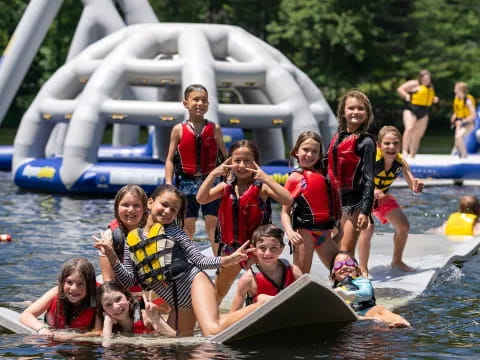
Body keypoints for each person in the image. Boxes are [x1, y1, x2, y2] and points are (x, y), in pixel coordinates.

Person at [95, 184, 270, 336]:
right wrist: (110, 254)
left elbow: (199, 260)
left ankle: (260, 304)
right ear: (150, 202)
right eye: (164, 204)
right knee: (176, 343)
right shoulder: (132, 240)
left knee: (212, 330)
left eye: (173, 209)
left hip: (194, 283)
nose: (168, 211)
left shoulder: (175, 232)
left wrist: (227, 260)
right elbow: (129, 281)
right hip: (179, 304)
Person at [196, 140, 293, 302]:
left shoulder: (262, 188)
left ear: (256, 163)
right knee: (218, 295)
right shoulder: (225, 187)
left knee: (259, 288)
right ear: (229, 163)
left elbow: (288, 199)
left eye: (247, 160)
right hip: (231, 251)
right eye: (237, 161)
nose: (242, 165)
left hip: (256, 251)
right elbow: (201, 198)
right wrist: (213, 174)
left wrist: (267, 179)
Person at [165, 84, 228, 254]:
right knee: (187, 226)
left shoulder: (215, 129)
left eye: (204, 101)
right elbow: (170, 159)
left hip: (211, 182)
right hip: (187, 182)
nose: (200, 103)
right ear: (185, 103)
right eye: (196, 99)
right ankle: (186, 263)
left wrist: (229, 178)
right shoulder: (178, 130)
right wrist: (169, 184)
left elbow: (226, 157)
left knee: (212, 224)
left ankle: (219, 263)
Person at [357, 126, 424, 276]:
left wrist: (417, 186)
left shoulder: (400, 163)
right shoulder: (371, 159)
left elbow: (412, 184)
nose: (391, 147)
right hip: (361, 197)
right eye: (387, 143)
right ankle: (363, 268)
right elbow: (356, 182)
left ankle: (397, 261)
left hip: (380, 198)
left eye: (395, 143)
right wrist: (372, 191)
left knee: (404, 226)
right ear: (379, 145)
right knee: (367, 229)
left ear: (400, 145)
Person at [281, 131, 341, 273]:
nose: (309, 154)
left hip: (325, 233)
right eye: (305, 150)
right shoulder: (294, 178)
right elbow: (285, 212)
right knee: (301, 277)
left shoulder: (325, 176)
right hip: (304, 234)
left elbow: (334, 203)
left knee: (342, 268)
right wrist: (289, 231)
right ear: (296, 151)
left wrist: (340, 228)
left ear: (320, 154)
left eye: (314, 151)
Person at [327, 89, 375, 258]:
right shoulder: (338, 137)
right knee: (334, 246)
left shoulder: (366, 141)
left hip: (355, 201)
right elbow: (327, 166)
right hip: (335, 200)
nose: (356, 112)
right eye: (351, 108)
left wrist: (365, 211)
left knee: (345, 249)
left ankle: (350, 282)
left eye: (361, 109)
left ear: (367, 114)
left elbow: (369, 179)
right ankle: (341, 279)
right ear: (343, 112)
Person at [19, 257, 101, 336]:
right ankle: (32, 303)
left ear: (90, 285)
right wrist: (42, 329)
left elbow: (98, 332)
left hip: (78, 336)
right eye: (69, 282)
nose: (74, 288)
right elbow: (25, 315)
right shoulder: (56, 291)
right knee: (35, 305)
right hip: (52, 322)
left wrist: (73, 336)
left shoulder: (97, 297)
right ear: (62, 282)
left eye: (81, 283)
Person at [230, 224, 302, 311]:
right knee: (262, 298)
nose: (268, 253)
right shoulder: (248, 279)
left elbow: (307, 300)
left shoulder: (294, 271)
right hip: (261, 321)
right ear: (254, 249)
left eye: (274, 248)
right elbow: (233, 314)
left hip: (289, 318)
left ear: (281, 249)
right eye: (262, 248)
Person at [331, 251, 410, 328]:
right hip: (352, 316)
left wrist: (348, 295)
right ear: (333, 275)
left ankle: (401, 322)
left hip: (367, 312)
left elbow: (366, 293)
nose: (344, 266)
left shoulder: (362, 281)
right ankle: (381, 324)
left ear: (357, 270)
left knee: (380, 309)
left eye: (349, 263)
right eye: (338, 265)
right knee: (375, 321)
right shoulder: (334, 290)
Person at [97, 281, 176, 339]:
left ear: (128, 297)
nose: (115, 307)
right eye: (108, 305)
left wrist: (156, 318)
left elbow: (173, 338)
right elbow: (106, 348)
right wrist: (108, 323)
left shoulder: (145, 316)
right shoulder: (104, 322)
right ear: (103, 309)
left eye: (118, 299)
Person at [397, 69, 439, 158]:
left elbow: (428, 97)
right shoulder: (414, 83)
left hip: (424, 111)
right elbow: (400, 89)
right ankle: (404, 152)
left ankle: (412, 155)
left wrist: (434, 99)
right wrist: (406, 95)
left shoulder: (431, 87)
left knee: (417, 135)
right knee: (409, 128)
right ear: (421, 78)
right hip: (411, 109)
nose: (427, 80)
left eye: (429, 78)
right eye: (425, 78)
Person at [450, 82, 476, 158]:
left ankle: (465, 157)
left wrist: (464, 121)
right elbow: (458, 110)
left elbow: (473, 115)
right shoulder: (457, 98)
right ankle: (459, 157)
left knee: (459, 137)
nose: (454, 91)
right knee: (457, 142)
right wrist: (454, 116)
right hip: (459, 123)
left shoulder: (468, 101)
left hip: (469, 124)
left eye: (456, 89)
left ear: (460, 90)